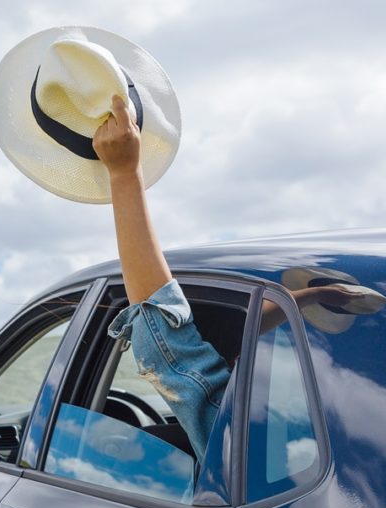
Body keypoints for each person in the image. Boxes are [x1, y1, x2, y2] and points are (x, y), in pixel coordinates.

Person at [92, 95, 359, 459]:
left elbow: (164, 338)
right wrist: (310, 296)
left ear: (230, 363)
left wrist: (124, 175)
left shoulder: (240, 438)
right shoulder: (344, 427)